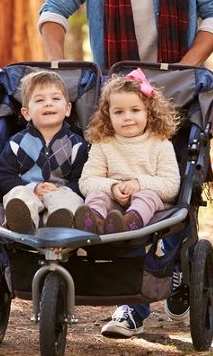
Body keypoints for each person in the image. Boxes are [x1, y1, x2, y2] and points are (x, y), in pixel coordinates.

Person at [38, 0, 213, 337]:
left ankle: (175, 265)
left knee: (174, 180)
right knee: (121, 180)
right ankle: (133, 302)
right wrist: (58, 65)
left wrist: (183, 71)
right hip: (119, 94)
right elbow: (54, 11)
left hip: (177, 87)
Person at [75, 68, 180, 237]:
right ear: (107, 115)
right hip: (113, 206)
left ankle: (129, 223)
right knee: (96, 196)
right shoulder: (104, 143)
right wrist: (112, 187)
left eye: (135, 110)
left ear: (149, 113)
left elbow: (171, 187)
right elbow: (87, 181)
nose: (127, 117)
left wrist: (138, 184)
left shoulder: (160, 144)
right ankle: (95, 223)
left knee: (147, 196)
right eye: (118, 112)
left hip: (149, 209)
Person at [0, 70, 88, 233]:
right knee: (17, 194)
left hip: (60, 195)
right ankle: (23, 224)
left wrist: (63, 190)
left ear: (67, 109)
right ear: (27, 113)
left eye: (55, 98)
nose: (48, 104)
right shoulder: (16, 144)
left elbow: (81, 179)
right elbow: (5, 177)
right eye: (39, 100)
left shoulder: (76, 145)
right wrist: (34, 188)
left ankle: (58, 226)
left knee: (71, 200)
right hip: (30, 194)